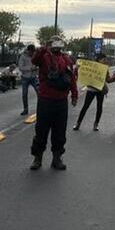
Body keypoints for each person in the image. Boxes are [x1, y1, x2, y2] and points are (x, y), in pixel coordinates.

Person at [30, 40, 78, 170]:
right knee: (41, 131)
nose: (56, 46)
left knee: (59, 132)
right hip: (46, 100)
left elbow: (71, 78)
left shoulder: (66, 60)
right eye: (54, 43)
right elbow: (35, 60)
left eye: (59, 43)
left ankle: (57, 158)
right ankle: (37, 158)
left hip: (61, 101)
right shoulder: (44, 57)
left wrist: (74, 95)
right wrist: (44, 47)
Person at [74, 53, 115, 131]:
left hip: (100, 90)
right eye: (103, 59)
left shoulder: (105, 68)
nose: (105, 61)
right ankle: (78, 123)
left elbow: (108, 80)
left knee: (99, 107)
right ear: (99, 59)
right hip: (91, 89)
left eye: (105, 59)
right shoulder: (91, 66)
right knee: (85, 106)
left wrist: (114, 78)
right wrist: (77, 67)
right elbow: (81, 70)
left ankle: (96, 124)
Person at [18, 44, 38, 115]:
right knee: (24, 93)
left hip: (33, 77)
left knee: (39, 92)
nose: (32, 53)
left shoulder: (35, 56)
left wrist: (36, 69)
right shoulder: (23, 56)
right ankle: (25, 109)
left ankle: (40, 108)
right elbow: (20, 67)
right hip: (25, 77)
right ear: (28, 50)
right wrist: (30, 69)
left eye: (33, 52)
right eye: (31, 52)